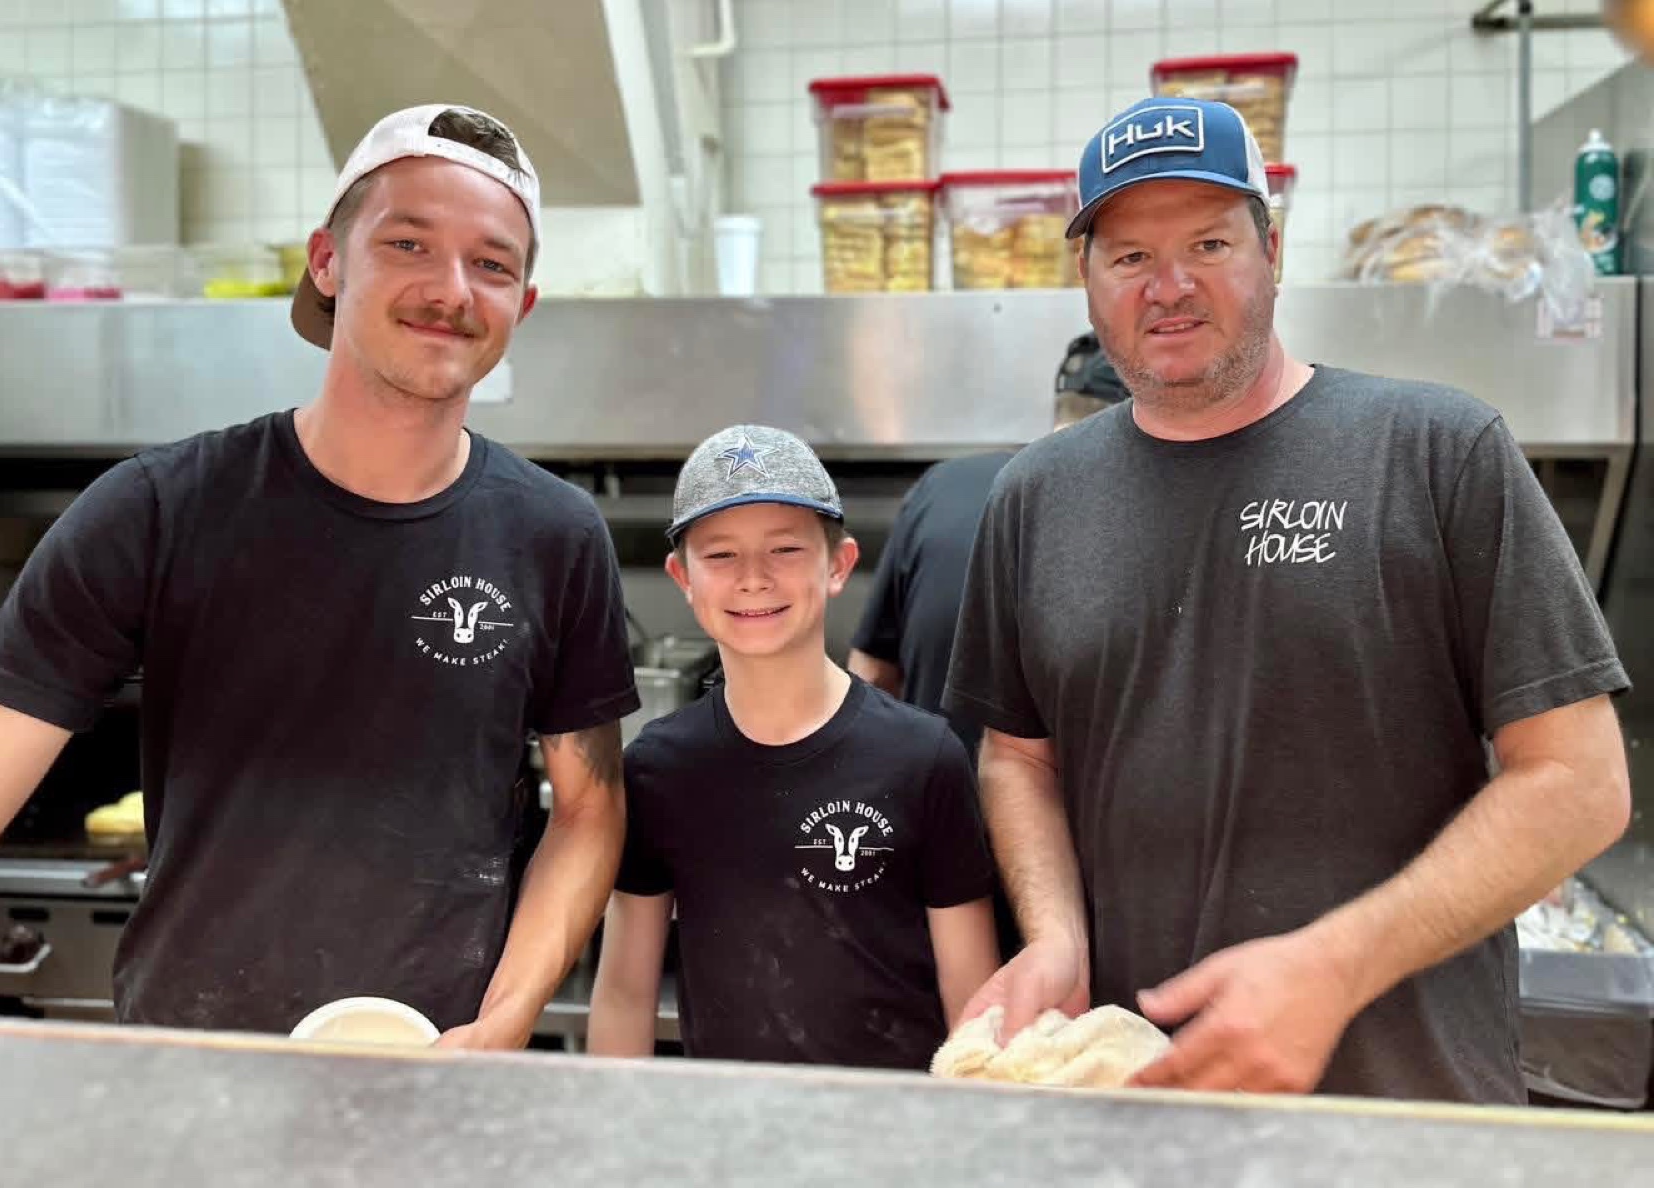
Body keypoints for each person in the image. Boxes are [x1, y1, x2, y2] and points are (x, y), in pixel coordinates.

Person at [0, 105, 639, 1047]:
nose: (451, 289)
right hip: (190, 1069)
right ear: (326, 260)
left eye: (494, 263)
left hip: (436, 1077)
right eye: (408, 243)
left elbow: (589, 812)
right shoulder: (156, 512)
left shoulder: (555, 536)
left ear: (523, 304)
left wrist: (502, 1026)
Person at [944, 96, 1633, 1102]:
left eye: (1209, 243)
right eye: (1129, 256)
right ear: (1087, 278)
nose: (1169, 287)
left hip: (1409, 1112)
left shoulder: (1436, 452)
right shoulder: (1035, 498)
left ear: (1272, 247)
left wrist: (1334, 967)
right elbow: (1018, 756)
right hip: (1152, 1105)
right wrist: (1056, 937)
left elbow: (1580, 783)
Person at [586, 425, 998, 1069]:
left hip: (895, 1147)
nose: (754, 578)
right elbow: (624, 992)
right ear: (682, 577)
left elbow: (973, 1000)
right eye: (720, 556)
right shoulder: (657, 768)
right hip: (730, 1144)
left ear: (838, 564)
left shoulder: (924, 758)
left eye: (784, 549)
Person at [848, 333, 1129, 758]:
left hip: (929, 805)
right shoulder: (1135, 517)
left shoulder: (942, 485)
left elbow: (869, 675)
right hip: (1055, 816)